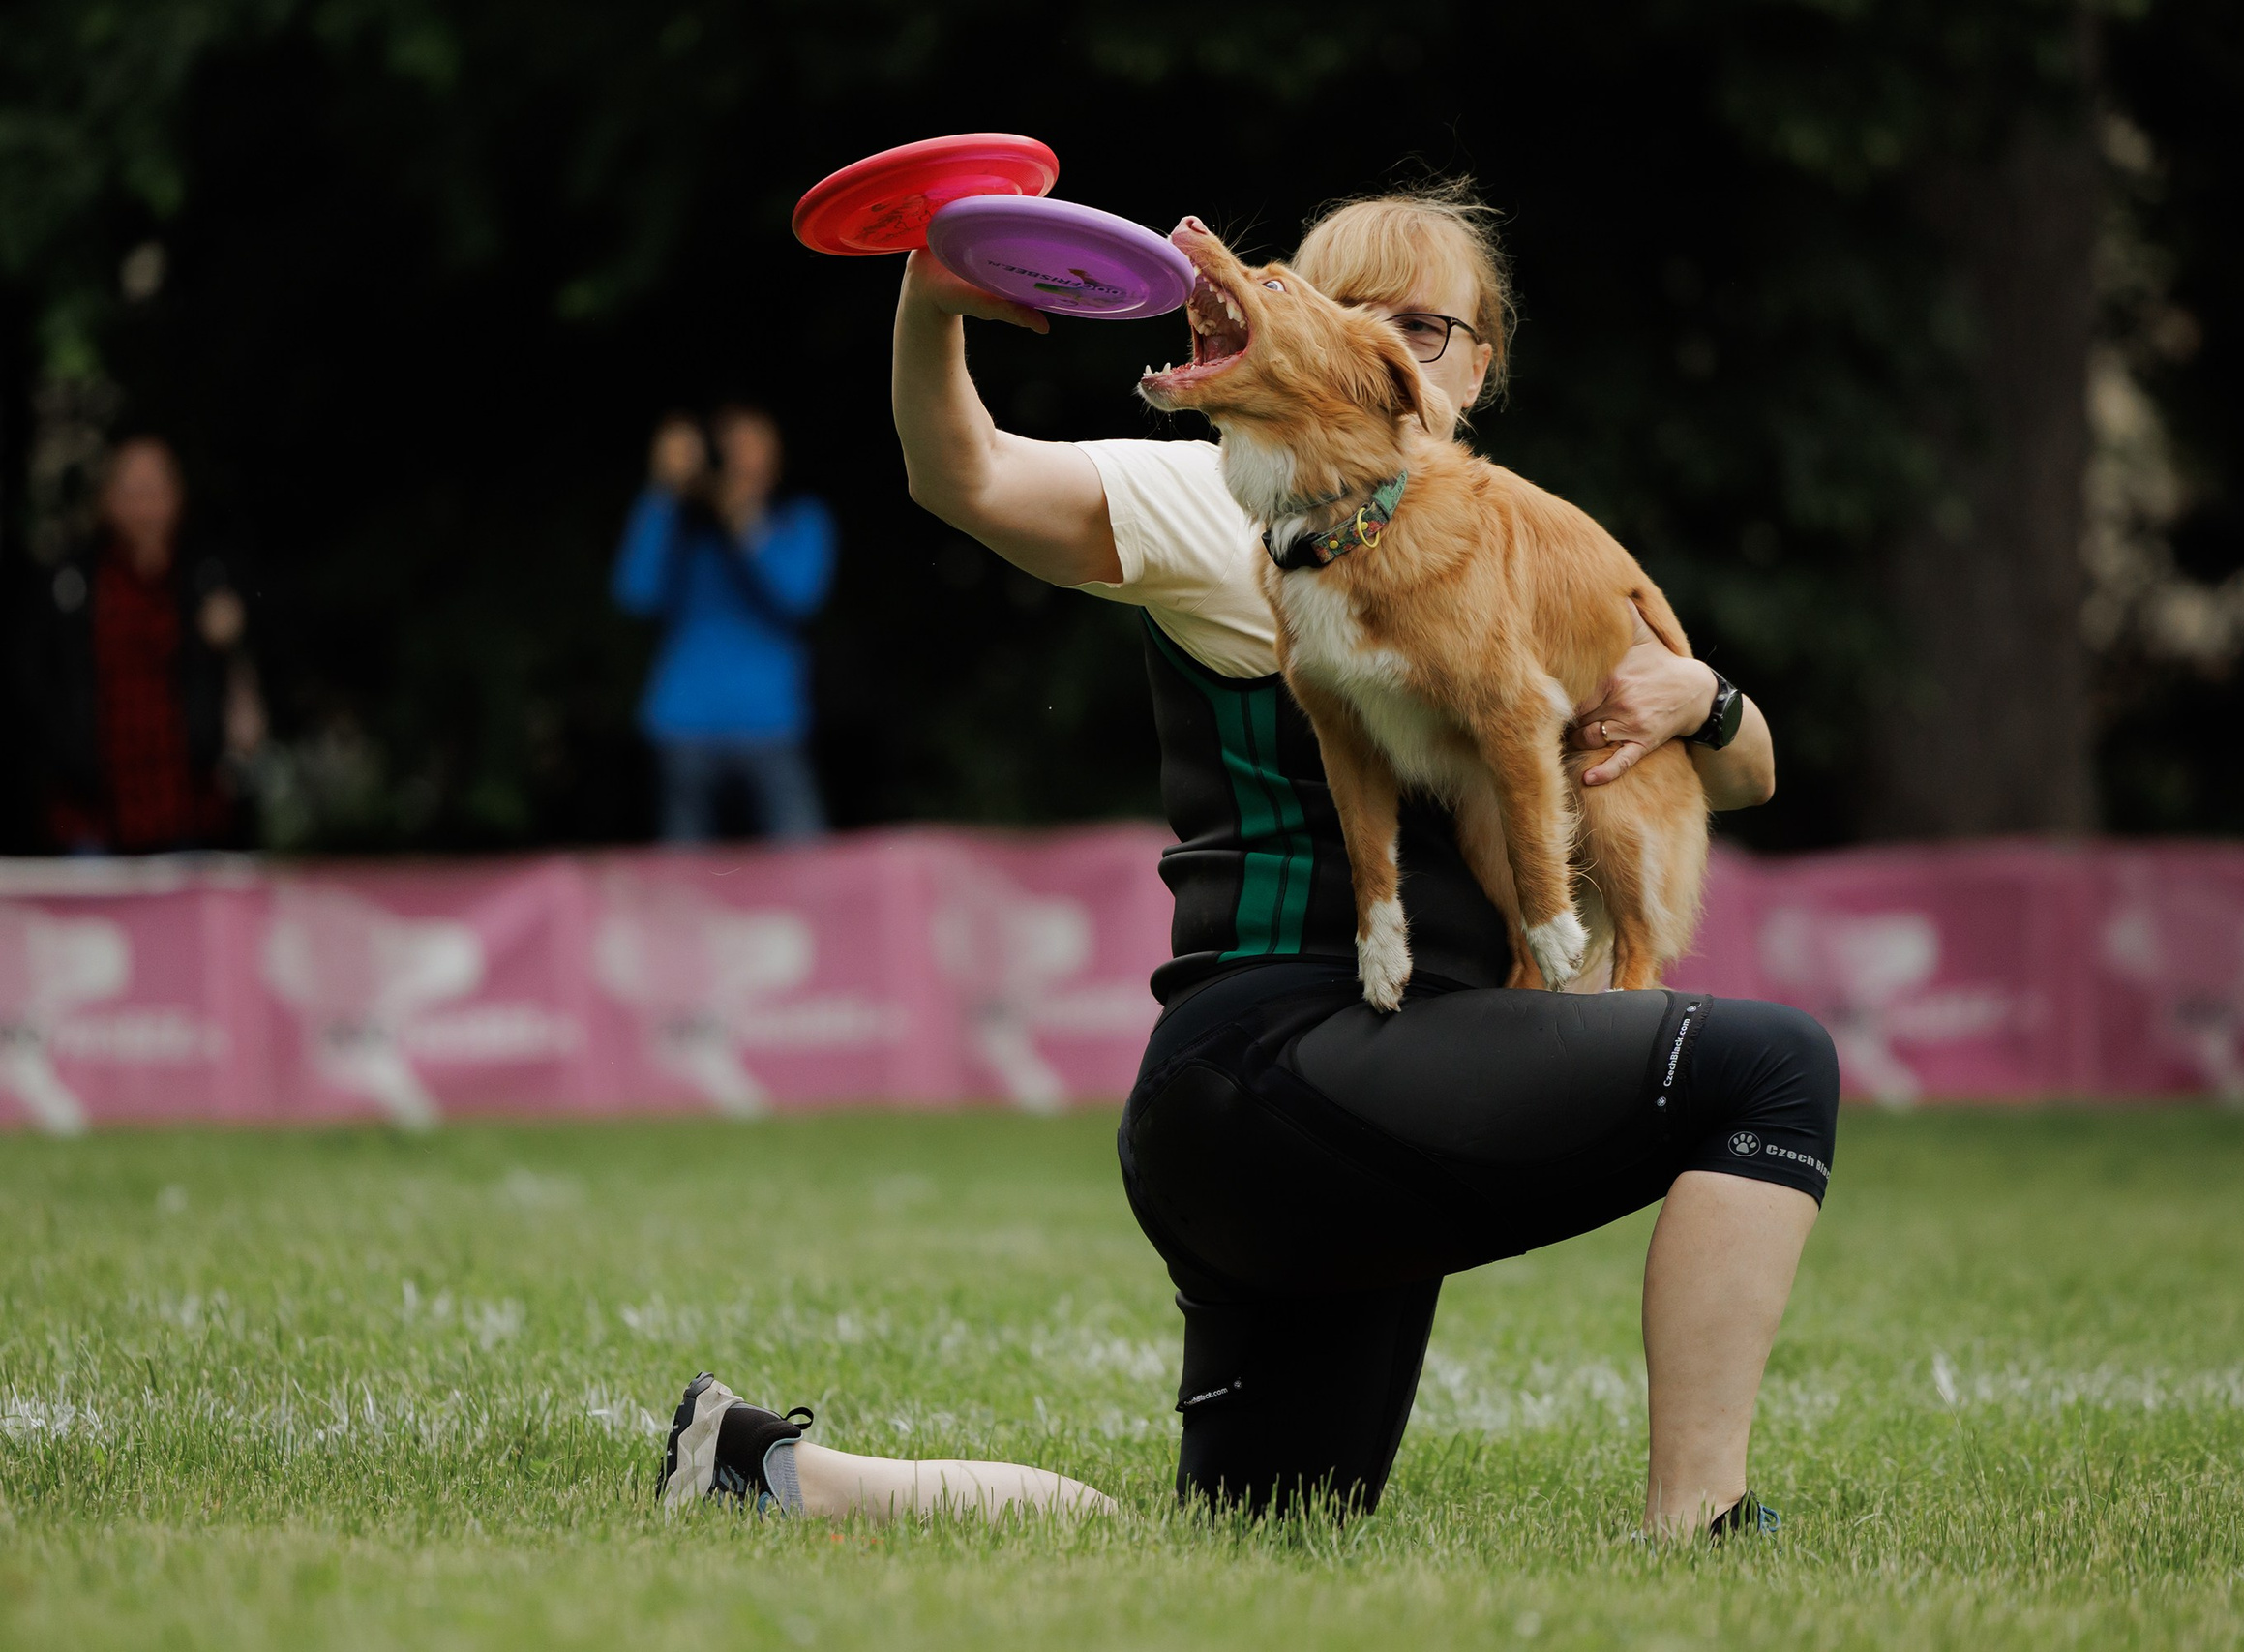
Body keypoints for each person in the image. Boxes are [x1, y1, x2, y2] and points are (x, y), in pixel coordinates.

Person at [661, 184, 1835, 1540]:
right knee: (1772, 1064)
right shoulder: (1223, 498)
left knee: (1255, 1532)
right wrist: (934, 303)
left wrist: (1704, 702)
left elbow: (1737, 777)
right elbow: (962, 473)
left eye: (1430, 322)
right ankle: (1702, 1518)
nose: (1388, 337)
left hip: (1356, 1101)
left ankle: (763, 1466)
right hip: (1279, 1067)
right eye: (1348, 304)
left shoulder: (1510, 537)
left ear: (1476, 365)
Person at [15, 436, 265, 854]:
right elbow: (35, 685)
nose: (143, 506)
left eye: (154, 490)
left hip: (192, 816)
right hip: (90, 818)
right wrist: (65, 761)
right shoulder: (70, 587)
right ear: (107, 501)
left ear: (178, 497)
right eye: (130, 491)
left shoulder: (210, 580)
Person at [612, 404, 834, 842]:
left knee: (807, 868)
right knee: (685, 884)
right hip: (684, 725)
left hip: (771, 725)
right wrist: (663, 493)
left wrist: (747, 524)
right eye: (729, 449)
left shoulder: (803, 520)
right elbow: (635, 595)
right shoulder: (684, 530)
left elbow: (799, 597)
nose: (740, 460)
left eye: (752, 446)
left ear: (778, 456)